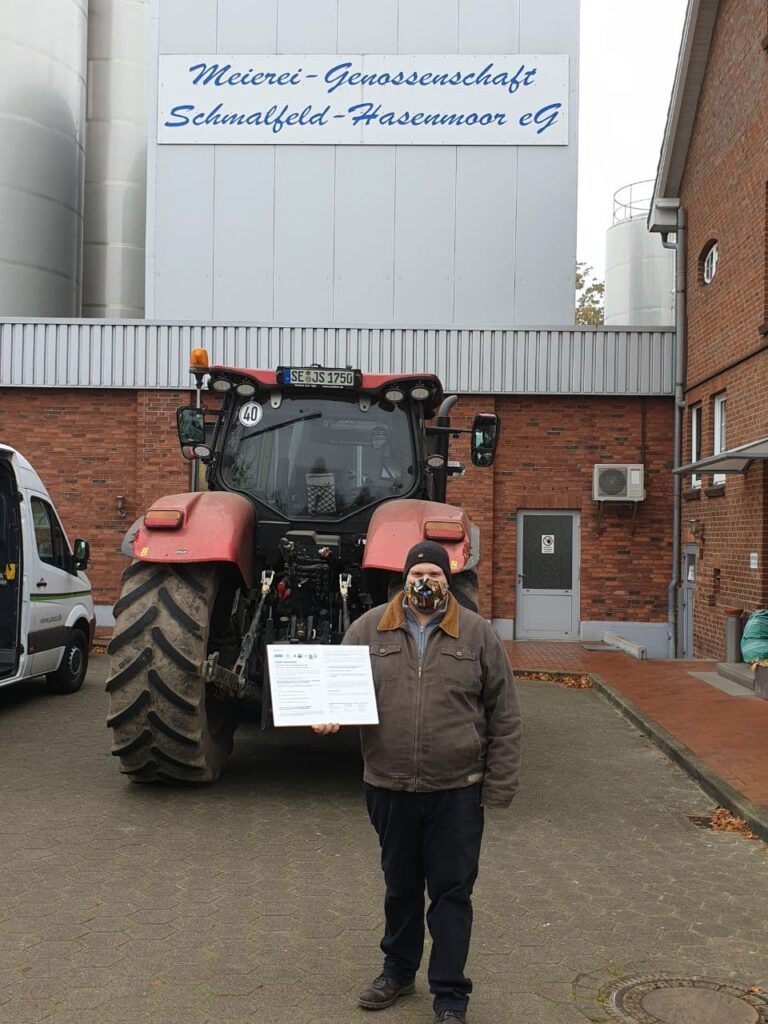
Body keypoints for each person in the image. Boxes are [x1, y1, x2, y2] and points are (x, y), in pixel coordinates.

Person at [313, 540, 522, 1024]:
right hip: (389, 786)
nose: (424, 582)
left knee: (451, 894)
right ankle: (398, 971)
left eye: (434, 575)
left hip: (457, 789)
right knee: (401, 887)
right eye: (416, 575)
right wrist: (327, 716)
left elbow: (505, 715)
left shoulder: (478, 634)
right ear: (403, 580)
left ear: (449, 580)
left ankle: (450, 994)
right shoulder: (369, 628)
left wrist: (497, 786)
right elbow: (335, 689)